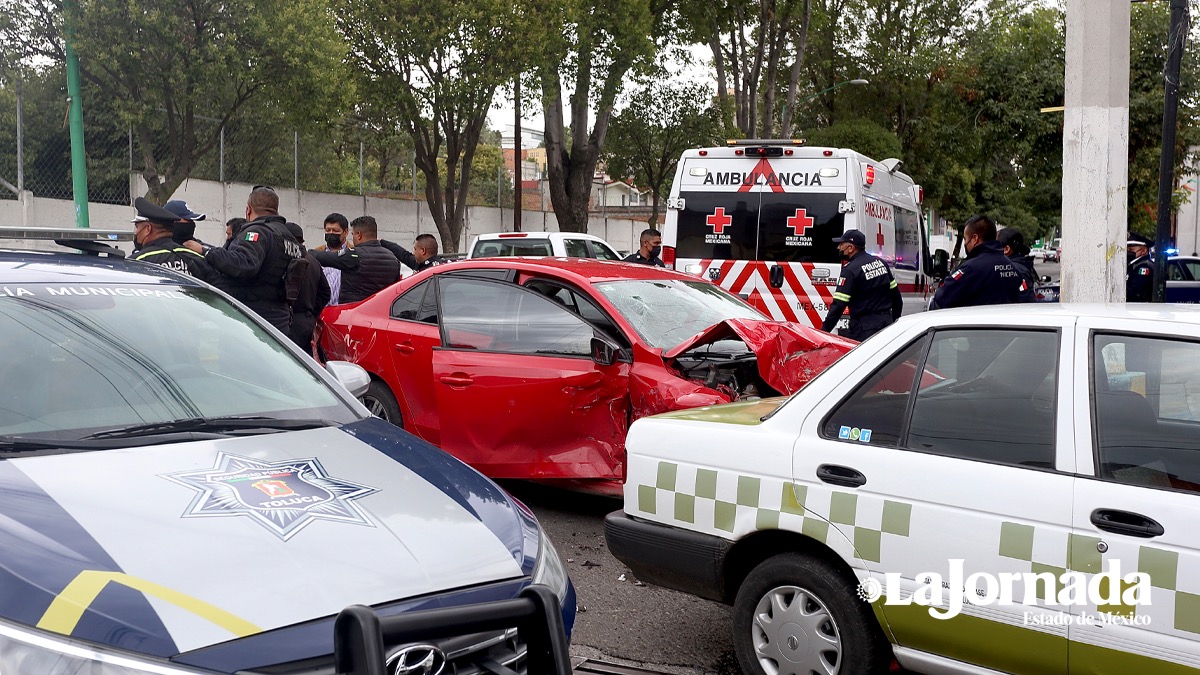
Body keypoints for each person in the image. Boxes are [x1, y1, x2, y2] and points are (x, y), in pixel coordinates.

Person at [182, 186, 306, 333]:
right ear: (275, 209)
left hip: (253, 318)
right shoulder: (290, 239)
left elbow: (244, 264)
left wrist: (206, 251)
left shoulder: (258, 232)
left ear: (248, 209)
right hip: (280, 319)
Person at [819, 229, 903, 340]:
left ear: (851, 248)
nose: (838, 248)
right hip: (886, 324)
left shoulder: (850, 270)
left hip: (864, 328)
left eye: (841, 244)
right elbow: (897, 299)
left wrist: (823, 332)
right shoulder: (881, 263)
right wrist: (893, 321)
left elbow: (838, 306)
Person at [929, 214, 1023, 309]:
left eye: (965, 239)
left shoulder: (971, 269)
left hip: (977, 322)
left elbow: (942, 296)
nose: (965, 243)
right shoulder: (1013, 267)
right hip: (1005, 321)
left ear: (975, 239)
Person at [309, 215, 401, 304]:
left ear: (359, 235)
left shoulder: (354, 254)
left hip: (355, 312)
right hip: (380, 313)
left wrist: (304, 251)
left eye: (353, 234)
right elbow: (395, 290)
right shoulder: (393, 258)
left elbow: (324, 257)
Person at [129, 197, 216, 282]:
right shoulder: (197, 258)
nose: (136, 232)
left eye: (137, 227)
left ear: (148, 229)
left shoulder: (136, 263)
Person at [285, 222, 331, 352]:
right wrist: (311, 313)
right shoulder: (314, 261)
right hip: (307, 321)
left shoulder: (288, 259)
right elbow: (326, 292)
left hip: (291, 321)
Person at [997, 228, 1037, 303]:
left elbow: (1024, 301)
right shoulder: (1020, 266)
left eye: (995, 245)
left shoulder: (1016, 271)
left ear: (1006, 249)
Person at [381, 233, 450, 273]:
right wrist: (381, 242)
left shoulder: (433, 270)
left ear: (423, 251)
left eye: (415, 249)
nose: (413, 253)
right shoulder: (419, 264)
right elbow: (402, 254)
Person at [320, 213, 349, 304]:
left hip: (344, 310)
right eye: (328, 230)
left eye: (335, 231)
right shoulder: (317, 253)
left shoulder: (353, 254)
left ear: (346, 232)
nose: (331, 233)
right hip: (320, 310)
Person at [1126, 234, 1154, 302]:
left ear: (1144, 251)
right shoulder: (1133, 265)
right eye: (1127, 249)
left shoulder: (1144, 267)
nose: (1128, 252)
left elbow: (1136, 293)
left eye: (1131, 249)